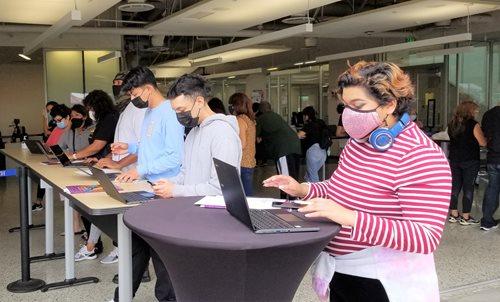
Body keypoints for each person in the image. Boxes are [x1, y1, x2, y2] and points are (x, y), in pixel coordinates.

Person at [263, 61, 451, 301]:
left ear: (389, 104)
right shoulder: (360, 142)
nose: (348, 114)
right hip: (342, 272)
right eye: (346, 106)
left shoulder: (419, 154)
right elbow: (342, 188)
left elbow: (424, 237)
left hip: (381, 282)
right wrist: (302, 189)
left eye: (358, 105)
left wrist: (350, 217)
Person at [110, 66, 184, 302]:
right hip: (149, 189)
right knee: (137, 245)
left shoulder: (169, 113)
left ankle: (168, 299)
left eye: (134, 94)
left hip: (166, 190)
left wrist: (139, 169)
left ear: (149, 89)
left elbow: (174, 156)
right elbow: (150, 148)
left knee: (161, 256)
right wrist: (129, 148)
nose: (132, 99)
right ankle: (122, 296)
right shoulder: (150, 113)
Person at [152, 73, 242, 198]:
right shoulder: (193, 133)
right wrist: (169, 183)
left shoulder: (223, 134)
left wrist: (175, 191)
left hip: (212, 214)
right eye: (176, 111)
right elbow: (186, 174)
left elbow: (221, 188)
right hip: (192, 208)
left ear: (199, 101)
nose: (179, 115)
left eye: (182, 110)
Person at [447, 101, 486, 225]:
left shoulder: (452, 124)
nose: (476, 112)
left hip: (454, 159)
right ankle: (465, 217)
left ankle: (453, 214)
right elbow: (482, 143)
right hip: (470, 161)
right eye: (475, 110)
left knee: (455, 187)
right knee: (468, 188)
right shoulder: (473, 124)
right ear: (469, 110)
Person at [58, 104, 94, 235]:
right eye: (72, 116)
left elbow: (94, 149)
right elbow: (59, 145)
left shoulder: (92, 129)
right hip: (73, 167)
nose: (74, 119)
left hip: (89, 168)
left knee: (83, 198)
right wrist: (68, 127)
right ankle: (76, 225)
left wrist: (76, 155)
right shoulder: (71, 130)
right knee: (67, 192)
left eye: (77, 116)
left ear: (84, 116)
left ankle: (87, 230)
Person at [256, 101, 301, 197]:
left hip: (283, 149)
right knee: (293, 175)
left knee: (284, 177)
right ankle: (292, 199)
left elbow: (255, 136)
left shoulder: (261, 118)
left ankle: (287, 201)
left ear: (260, 109)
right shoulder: (276, 116)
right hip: (295, 145)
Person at [32, 103, 71, 211]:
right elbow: (49, 145)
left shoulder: (73, 130)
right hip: (57, 161)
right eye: (56, 121)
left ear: (68, 117)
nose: (58, 123)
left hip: (68, 164)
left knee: (70, 198)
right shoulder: (57, 129)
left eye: (59, 120)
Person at [228, 92, 256, 196]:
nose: (230, 108)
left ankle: (249, 212)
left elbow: (242, 144)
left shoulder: (240, 119)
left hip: (242, 162)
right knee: (247, 192)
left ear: (236, 105)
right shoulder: (250, 119)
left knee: (245, 194)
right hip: (250, 161)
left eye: (231, 105)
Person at [480, 105, 500, 231]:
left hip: (493, 157)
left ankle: (487, 221)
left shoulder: (488, 114)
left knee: (492, 189)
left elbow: (484, 135)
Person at [298, 106, 328, 182]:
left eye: (304, 116)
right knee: (309, 174)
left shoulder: (309, 125)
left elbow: (299, 135)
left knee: (313, 176)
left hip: (313, 151)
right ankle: (309, 190)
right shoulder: (321, 122)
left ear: (307, 116)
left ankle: (317, 192)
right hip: (323, 151)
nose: (304, 118)